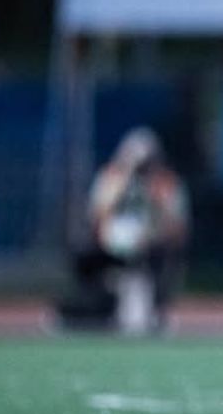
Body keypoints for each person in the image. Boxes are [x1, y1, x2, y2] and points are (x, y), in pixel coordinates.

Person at [60, 127, 188, 334]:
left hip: (151, 247)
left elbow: (177, 228)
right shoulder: (111, 178)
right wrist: (123, 182)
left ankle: (151, 309)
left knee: (156, 259)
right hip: (112, 246)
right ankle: (94, 307)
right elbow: (98, 217)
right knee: (84, 256)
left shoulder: (166, 183)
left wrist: (155, 198)